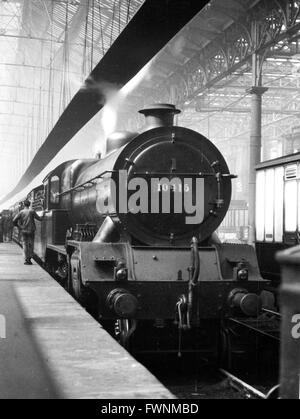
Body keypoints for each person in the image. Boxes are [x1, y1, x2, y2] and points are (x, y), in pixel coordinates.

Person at [13, 200, 45, 265]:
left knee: (24, 244)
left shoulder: (21, 212)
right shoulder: (32, 211)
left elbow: (14, 220)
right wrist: (44, 214)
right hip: (31, 231)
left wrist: (19, 226)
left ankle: (26, 259)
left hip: (23, 230)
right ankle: (29, 259)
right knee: (31, 245)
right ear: (29, 205)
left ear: (24, 205)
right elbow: (40, 219)